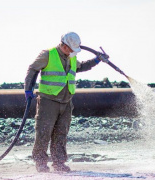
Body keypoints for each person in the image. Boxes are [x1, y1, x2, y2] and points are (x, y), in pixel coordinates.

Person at [24, 32, 108, 173]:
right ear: (64, 45)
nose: (73, 52)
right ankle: (41, 163)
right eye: (71, 49)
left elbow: (81, 67)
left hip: (66, 102)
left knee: (61, 134)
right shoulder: (47, 55)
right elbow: (33, 69)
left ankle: (59, 163)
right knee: (43, 133)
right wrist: (28, 89)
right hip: (48, 100)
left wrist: (96, 60)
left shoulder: (72, 58)